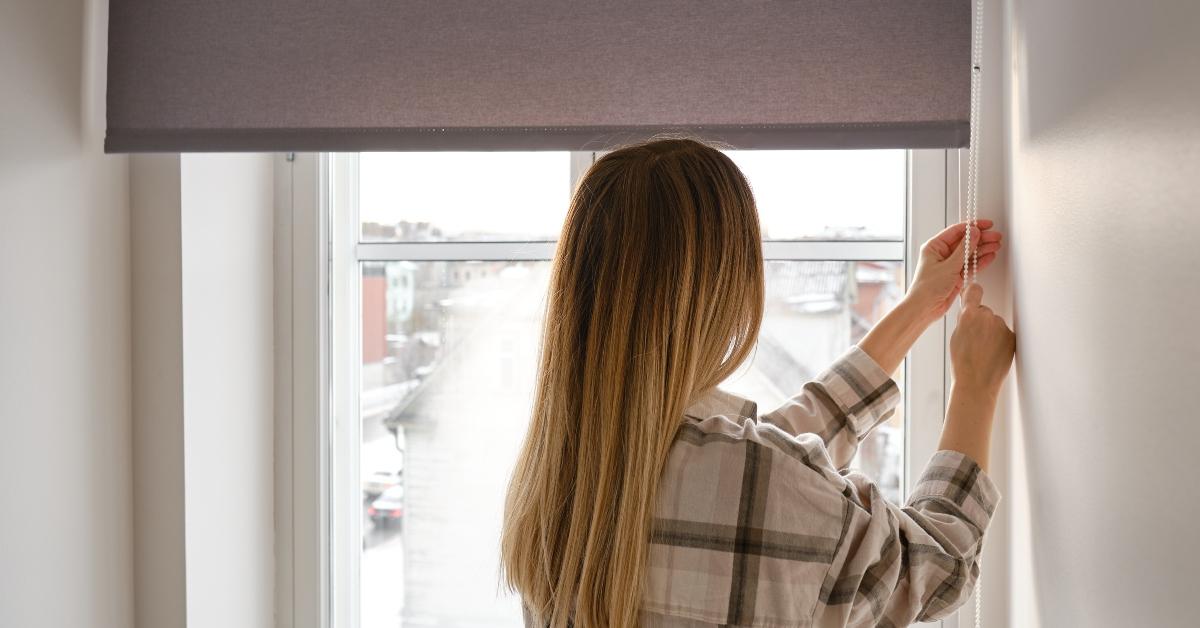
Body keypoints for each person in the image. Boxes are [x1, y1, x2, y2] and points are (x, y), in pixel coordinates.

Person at [500, 138, 1015, 628]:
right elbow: (940, 565)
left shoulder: (555, 481)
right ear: (724, 289)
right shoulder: (763, 477)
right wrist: (974, 387)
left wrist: (917, 307)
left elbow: (762, 466)